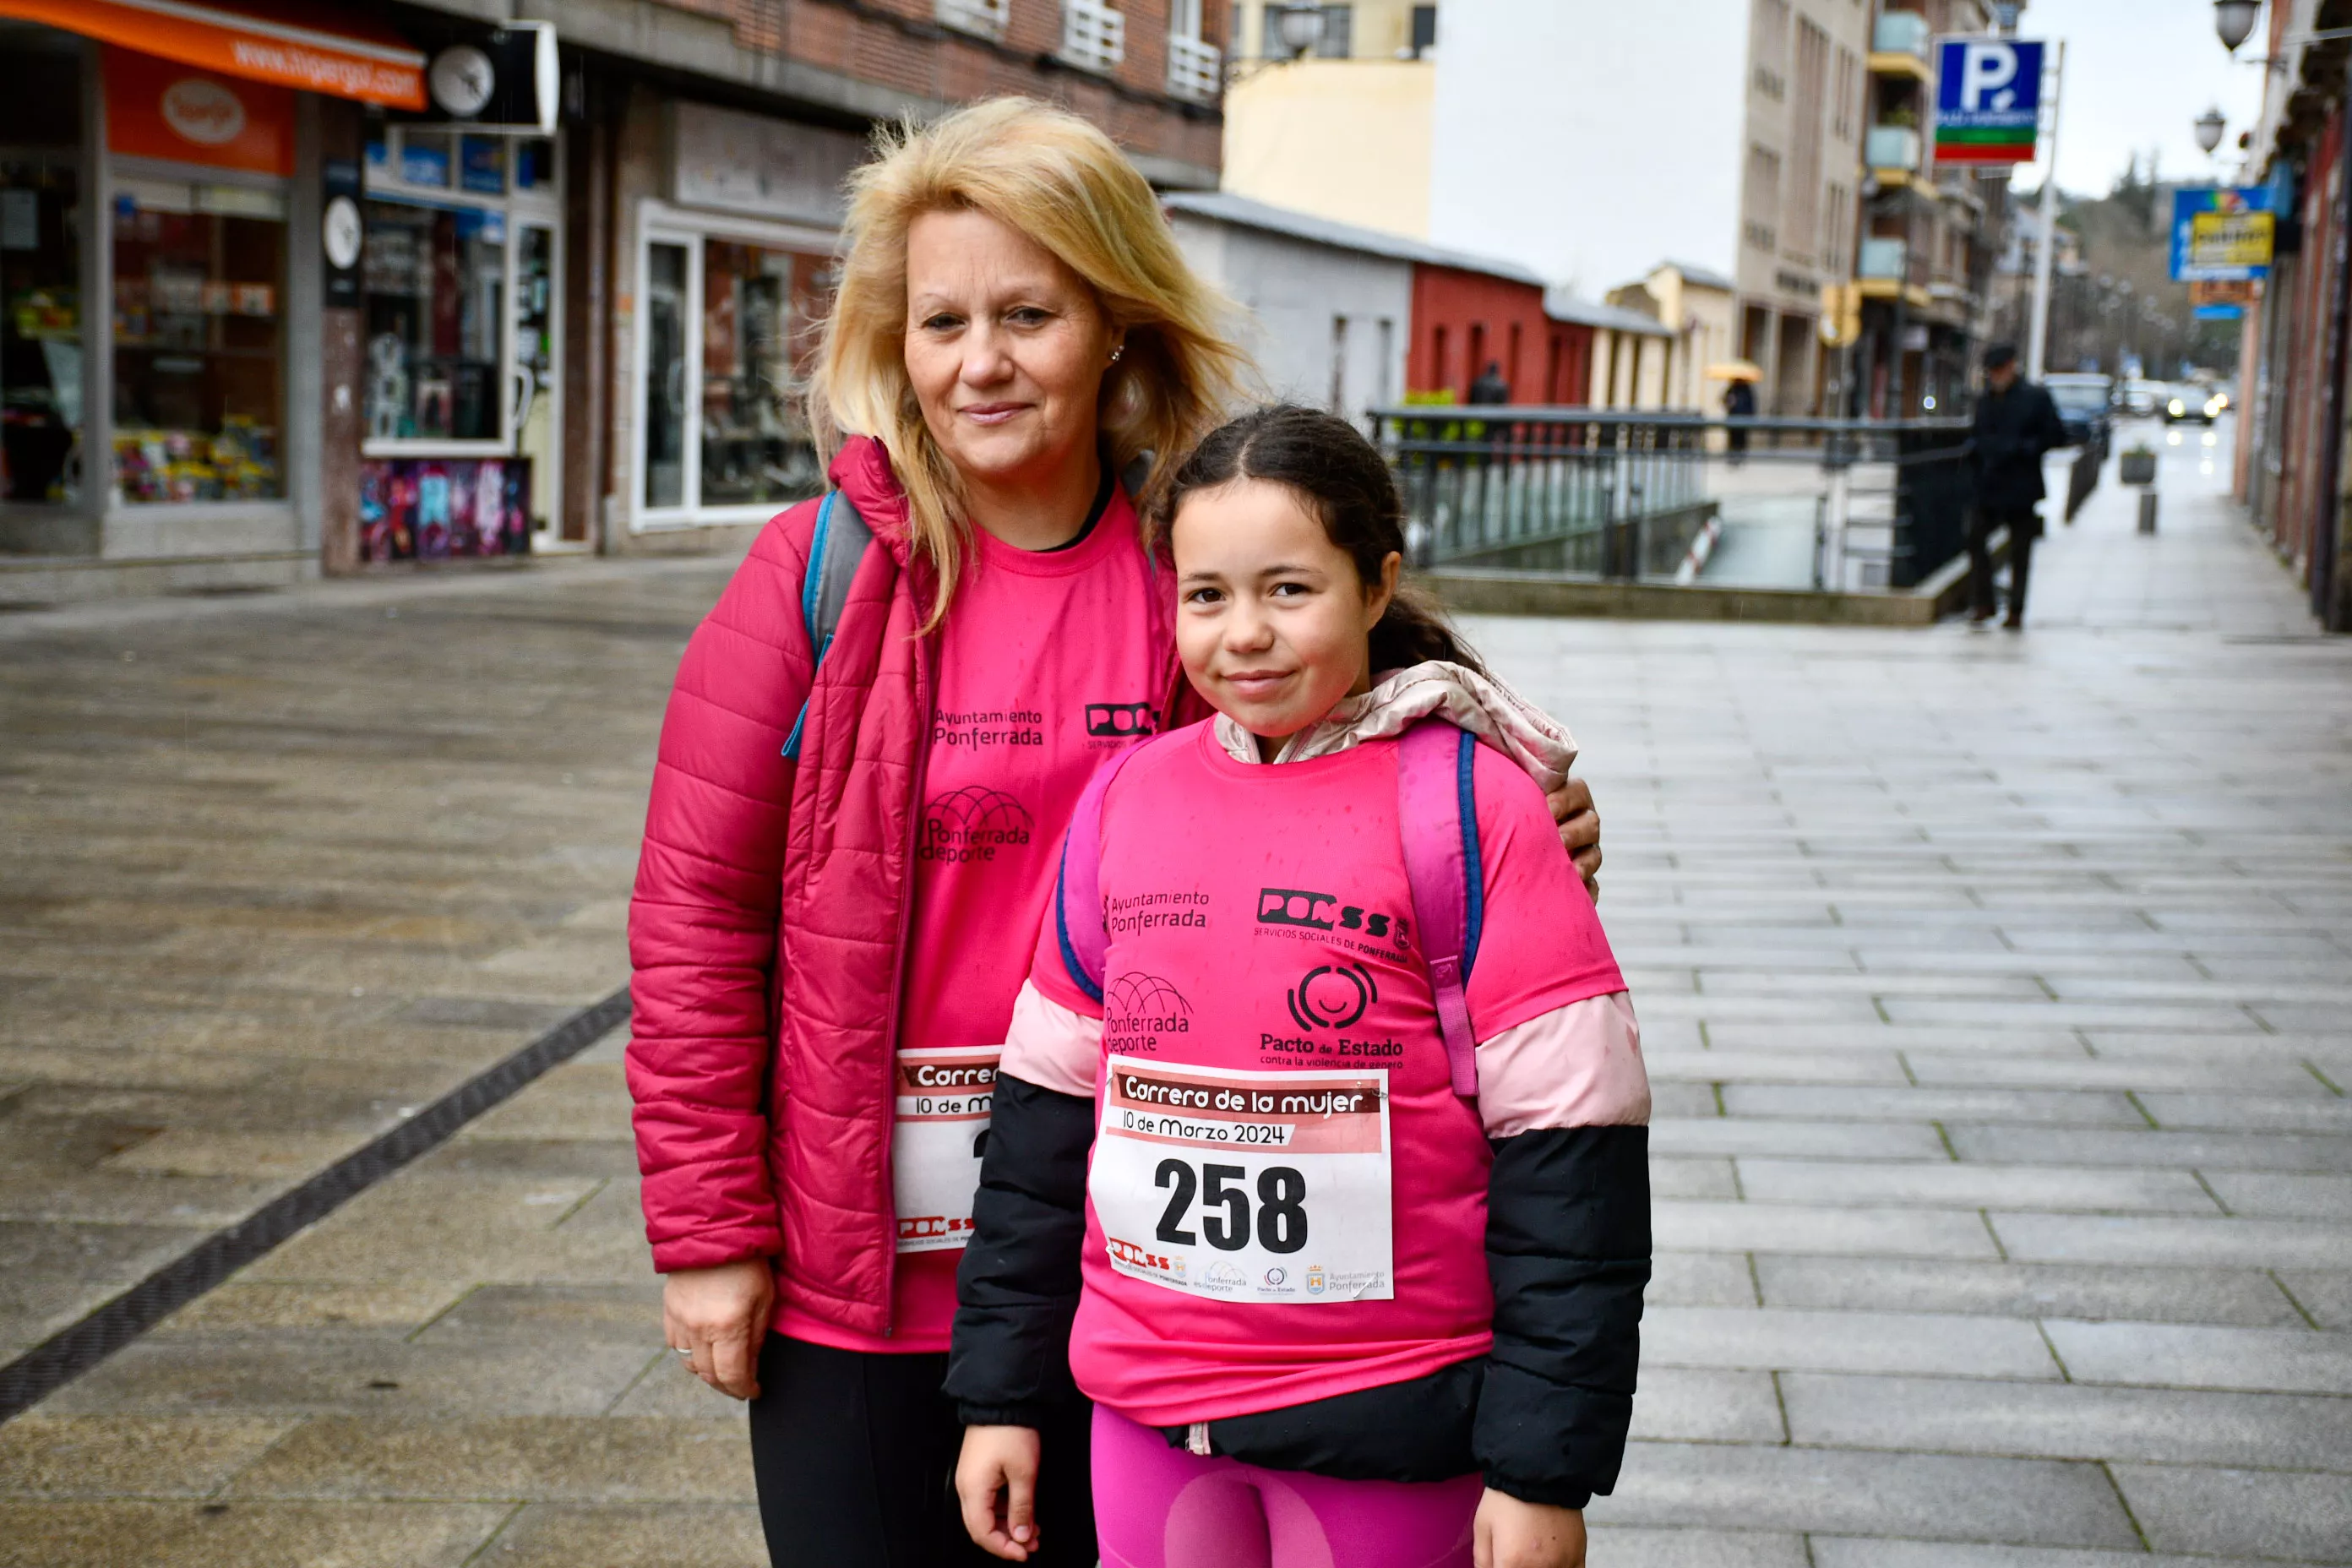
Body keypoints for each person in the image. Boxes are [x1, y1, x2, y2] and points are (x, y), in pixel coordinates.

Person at [627, 102, 1607, 1568]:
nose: (978, 362)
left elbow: (1417, 764)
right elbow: (696, 918)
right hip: (859, 1275)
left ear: (1112, 326)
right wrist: (709, 1232)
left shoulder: (1203, 569)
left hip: (1137, 1282)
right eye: (940, 318)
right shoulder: (811, 575)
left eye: (1026, 313)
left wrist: (1531, 811)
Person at [948, 405, 1651, 1568]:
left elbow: (1574, 1174)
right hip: (1146, 1417)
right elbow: (1037, 1142)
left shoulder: (1471, 810)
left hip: (1392, 1415)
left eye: (1289, 590)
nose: (1245, 636)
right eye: (1208, 595)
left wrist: (1541, 1471)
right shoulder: (1126, 801)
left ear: (1377, 587)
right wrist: (999, 1397)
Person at [1967, 343, 2069, 629]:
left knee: (2020, 550)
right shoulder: (1986, 400)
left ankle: (2016, 608)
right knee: (1975, 537)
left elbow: (2056, 435)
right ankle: (1984, 602)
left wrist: (2024, 449)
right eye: (1992, 371)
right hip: (1989, 484)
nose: (1996, 376)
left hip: (2021, 485)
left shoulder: (2035, 397)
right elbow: (1977, 434)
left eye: (2000, 369)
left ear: (2012, 367)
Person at [1722, 374, 1756, 464]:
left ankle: (1740, 457)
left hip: (1743, 418)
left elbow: (1751, 405)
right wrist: (1729, 401)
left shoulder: (1747, 390)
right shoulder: (1732, 389)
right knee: (1733, 438)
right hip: (1733, 417)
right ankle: (1732, 457)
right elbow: (1724, 400)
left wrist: (1751, 418)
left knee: (1741, 439)